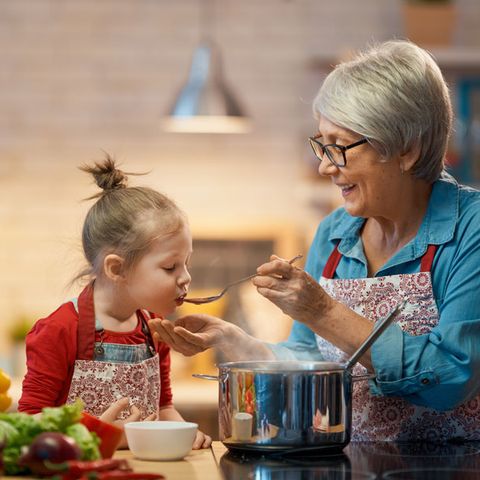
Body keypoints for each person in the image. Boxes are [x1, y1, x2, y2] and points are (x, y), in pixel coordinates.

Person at [149, 40, 480, 442]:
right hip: (347, 463)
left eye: (340, 147)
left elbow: (451, 376)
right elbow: (308, 358)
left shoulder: (470, 229)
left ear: (406, 150)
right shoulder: (334, 233)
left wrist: (323, 311)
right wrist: (232, 340)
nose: (325, 165)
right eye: (322, 144)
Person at [19, 156, 211, 449]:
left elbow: (164, 408)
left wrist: (184, 431)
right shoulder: (58, 330)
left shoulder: (154, 331)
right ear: (116, 268)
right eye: (170, 267)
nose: (186, 277)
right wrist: (96, 435)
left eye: (186, 263)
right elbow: (30, 427)